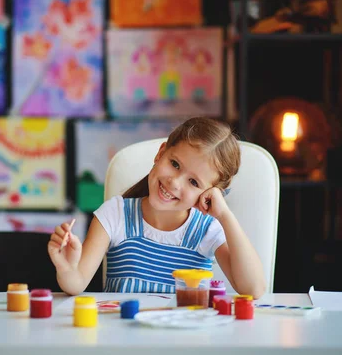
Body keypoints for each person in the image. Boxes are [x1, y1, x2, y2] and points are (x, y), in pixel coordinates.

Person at [48, 117, 266, 299]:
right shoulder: (115, 214)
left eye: (194, 182)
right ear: (161, 153)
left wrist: (225, 215)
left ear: (209, 193)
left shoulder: (207, 229)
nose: (174, 182)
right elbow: (76, 284)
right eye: (175, 164)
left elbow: (253, 289)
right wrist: (67, 268)